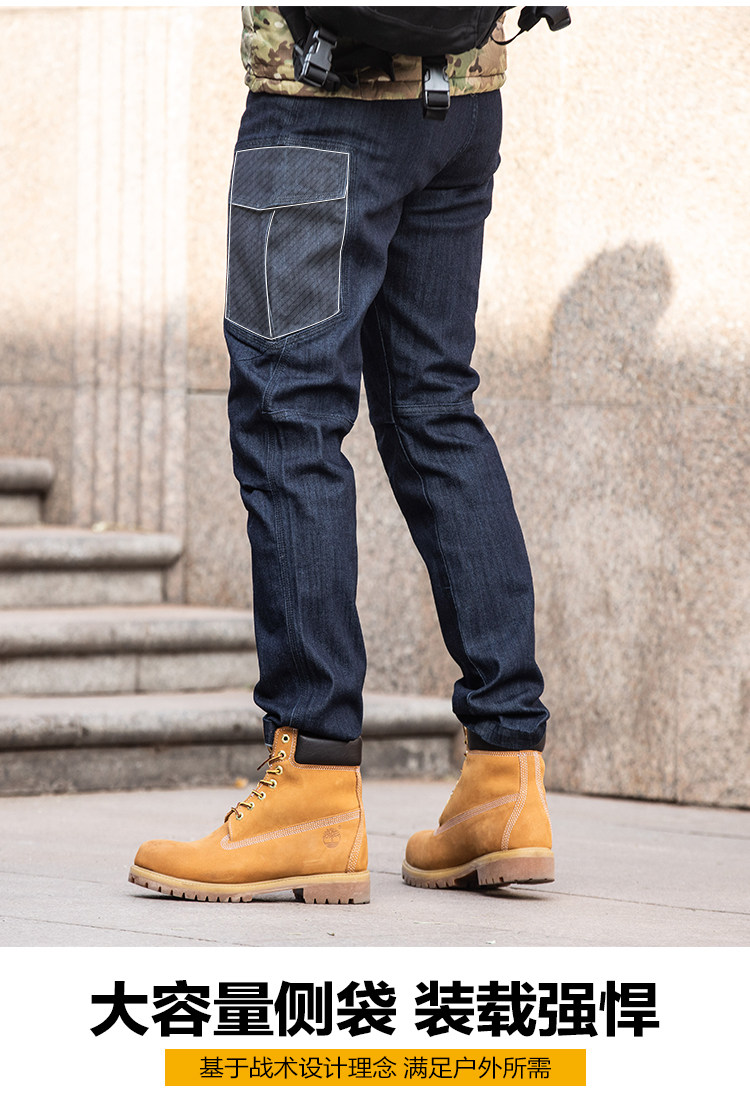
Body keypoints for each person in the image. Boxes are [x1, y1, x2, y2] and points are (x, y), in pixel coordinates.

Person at [129, 5, 553, 904]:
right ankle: (506, 778)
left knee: (290, 417)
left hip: (320, 97)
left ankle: (313, 783)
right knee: (435, 409)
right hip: (462, 100)